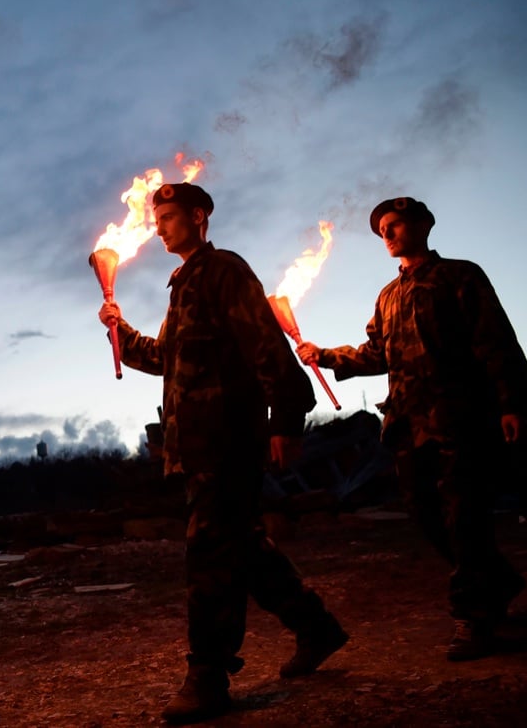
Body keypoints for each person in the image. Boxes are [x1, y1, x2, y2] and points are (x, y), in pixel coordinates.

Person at [98, 183, 348, 724]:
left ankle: (208, 675)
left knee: (210, 555)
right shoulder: (183, 286)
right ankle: (317, 628)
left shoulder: (224, 271)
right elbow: (169, 359)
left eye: (167, 217)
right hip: (198, 446)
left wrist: (285, 418)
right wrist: (120, 329)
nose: (158, 226)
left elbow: (265, 343)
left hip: (228, 440)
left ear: (198, 216)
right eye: (156, 218)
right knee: (242, 548)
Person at [297, 196, 527, 661]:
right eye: (382, 228)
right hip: (408, 426)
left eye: (395, 225)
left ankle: (475, 620)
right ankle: (497, 581)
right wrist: (322, 354)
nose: (387, 234)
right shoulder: (388, 296)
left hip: (461, 418)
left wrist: (513, 403)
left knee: (466, 516)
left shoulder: (460, 276)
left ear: (423, 225)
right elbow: (375, 354)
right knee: (429, 516)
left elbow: (495, 338)